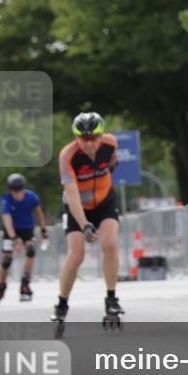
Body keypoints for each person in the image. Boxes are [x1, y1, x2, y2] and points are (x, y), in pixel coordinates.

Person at [50, 112, 124, 326]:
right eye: (84, 139)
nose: (89, 143)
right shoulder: (67, 156)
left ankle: (111, 298)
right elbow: (72, 195)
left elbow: (113, 161)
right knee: (76, 255)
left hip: (104, 201)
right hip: (77, 207)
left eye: (93, 138)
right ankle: (61, 304)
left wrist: (110, 166)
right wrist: (85, 225)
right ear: (76, 138)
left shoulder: (110, 143)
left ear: (101, 136)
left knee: (110, 244)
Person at [0, 173, 47, 306]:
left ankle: (25, 283)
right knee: (7, 260)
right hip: (11, 229)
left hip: (27, 228)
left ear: (23, 188)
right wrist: (14, 239)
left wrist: (43, 229)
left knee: (30, 252)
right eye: (14, 191)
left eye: (19, 190)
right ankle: (1, 286)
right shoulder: (6, 199)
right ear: (10, 190)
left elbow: (39, 213)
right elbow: (7, 219)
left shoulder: (31, 197)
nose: (17, 194)